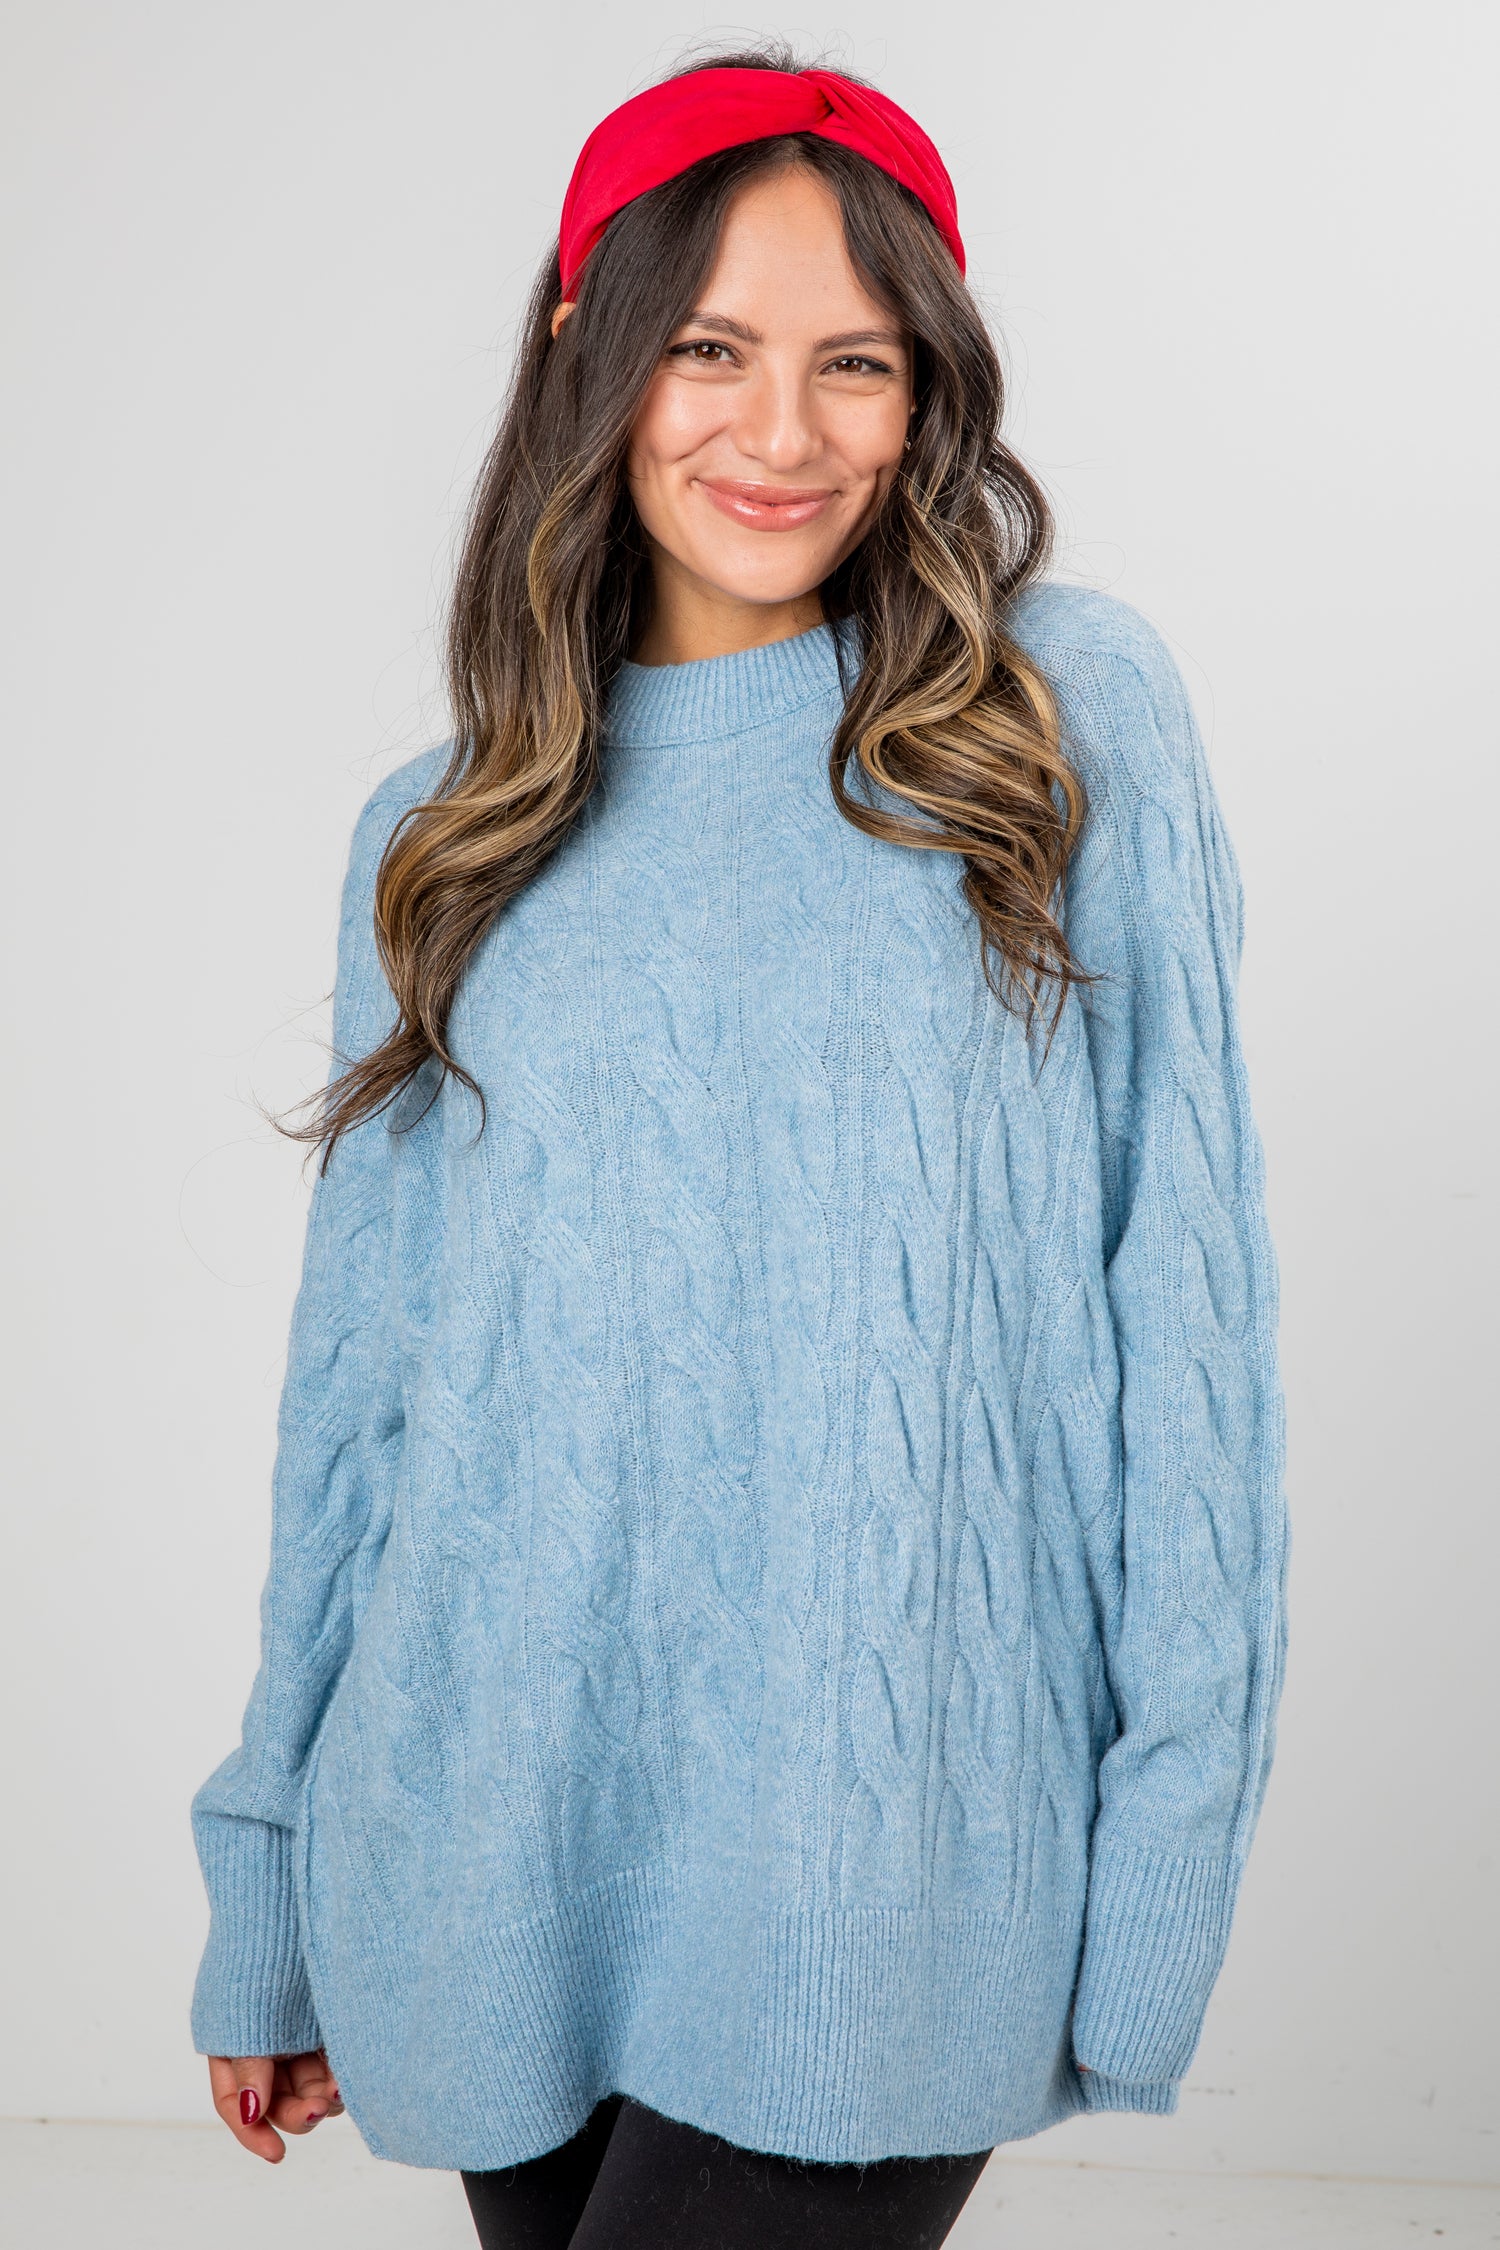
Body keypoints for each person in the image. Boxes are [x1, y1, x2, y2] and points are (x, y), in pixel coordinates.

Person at [188, 44, 1288, 2250]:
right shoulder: (439, 832)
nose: (780, 433)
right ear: (585, 349)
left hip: (876, 1872)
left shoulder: (1059, 724)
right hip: (482, 1848)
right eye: (711, 347)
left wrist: (1167, 1850)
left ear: (928, 396)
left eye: (853, 364)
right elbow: (367, 1402)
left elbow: (1189, 1325)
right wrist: (274, 1879)